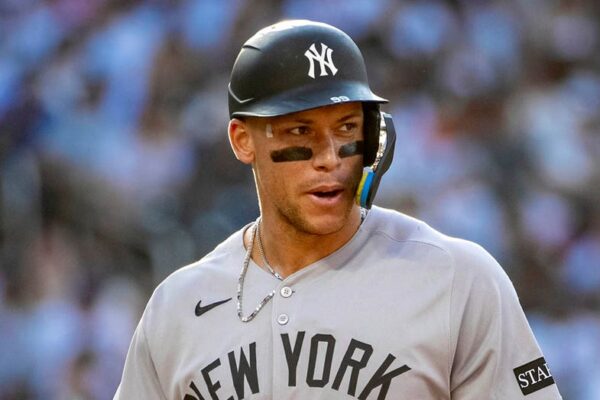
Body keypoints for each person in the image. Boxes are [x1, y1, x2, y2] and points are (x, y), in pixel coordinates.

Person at [114, 20, 562, 399]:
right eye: (300, 131)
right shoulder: (177, 307)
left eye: (347, 127)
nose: (329, 157)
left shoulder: (456, 279)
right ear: (242, 140)